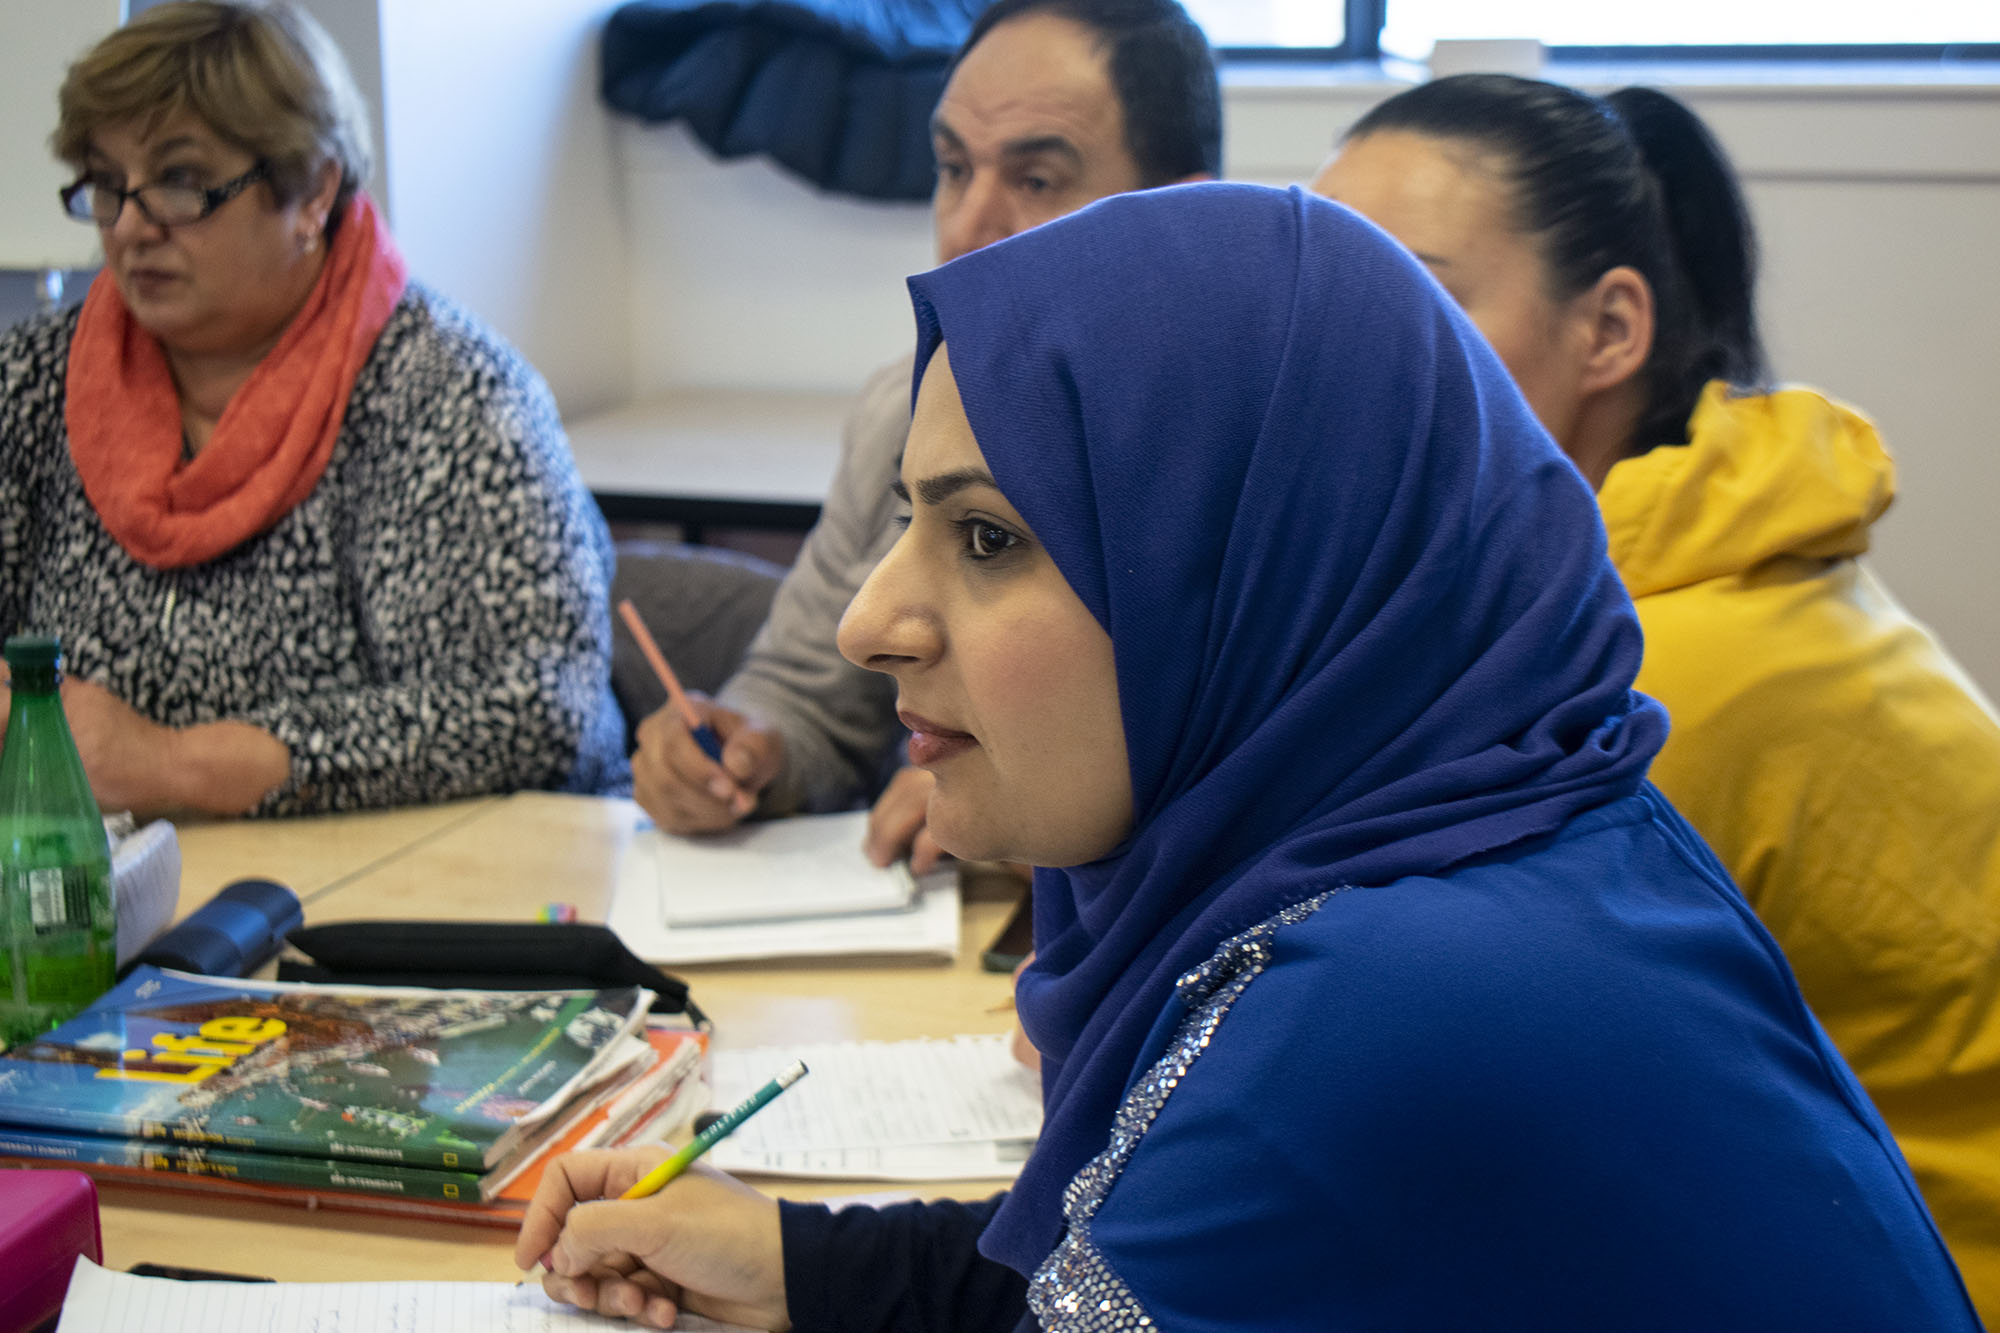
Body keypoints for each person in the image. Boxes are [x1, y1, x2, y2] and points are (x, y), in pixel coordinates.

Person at [514, 184, 1979, 1331]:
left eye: (985, 537)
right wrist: (797, 1264)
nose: (872, 622)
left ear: (1236, 574)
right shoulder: (1490, 834)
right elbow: (1144, 1262)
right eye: (907, 520)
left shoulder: (1380, 1008)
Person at [1313, 73, 2000, 1322]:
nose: (1329, 364)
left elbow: (1376, 1049)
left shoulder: (1660, 665)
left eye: (1415, 297)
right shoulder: (1624, 577)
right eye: (1321, 302)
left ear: (1610, 332)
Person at [629, 0, 1220, 872]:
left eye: (1037, 179)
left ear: (1181, 211)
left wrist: (1033, 808)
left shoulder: (1235, 445)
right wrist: (753, 747)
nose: (968, 228)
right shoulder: (903, 409)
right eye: (952, 168)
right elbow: (807, 691)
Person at [0, 1, 626, 817]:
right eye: (109, 184)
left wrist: (180, 765)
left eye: (181, 183)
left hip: (394, 906)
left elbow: (542, 715)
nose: (131, 229)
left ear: (311, 192)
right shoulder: (31, 380)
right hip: (86, 892)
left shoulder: (449, 395)